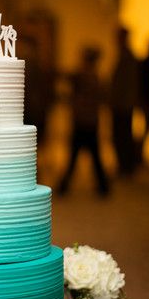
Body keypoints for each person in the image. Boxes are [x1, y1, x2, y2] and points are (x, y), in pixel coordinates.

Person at [57, 46, 109, 196]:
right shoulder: (94, 76)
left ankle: (64, 186)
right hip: (89, 121)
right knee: (92, 157)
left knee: (76, 156)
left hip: (83, 121)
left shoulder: (84, 76)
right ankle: (102, 187)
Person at [109, 27, 139, 176]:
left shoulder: (128, 57)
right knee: (121, 135)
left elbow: (126, 84)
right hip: (121, 103)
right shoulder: (125, 55)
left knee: (122, 136)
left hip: (123, 104)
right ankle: (125, 166)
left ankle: (126, 167)